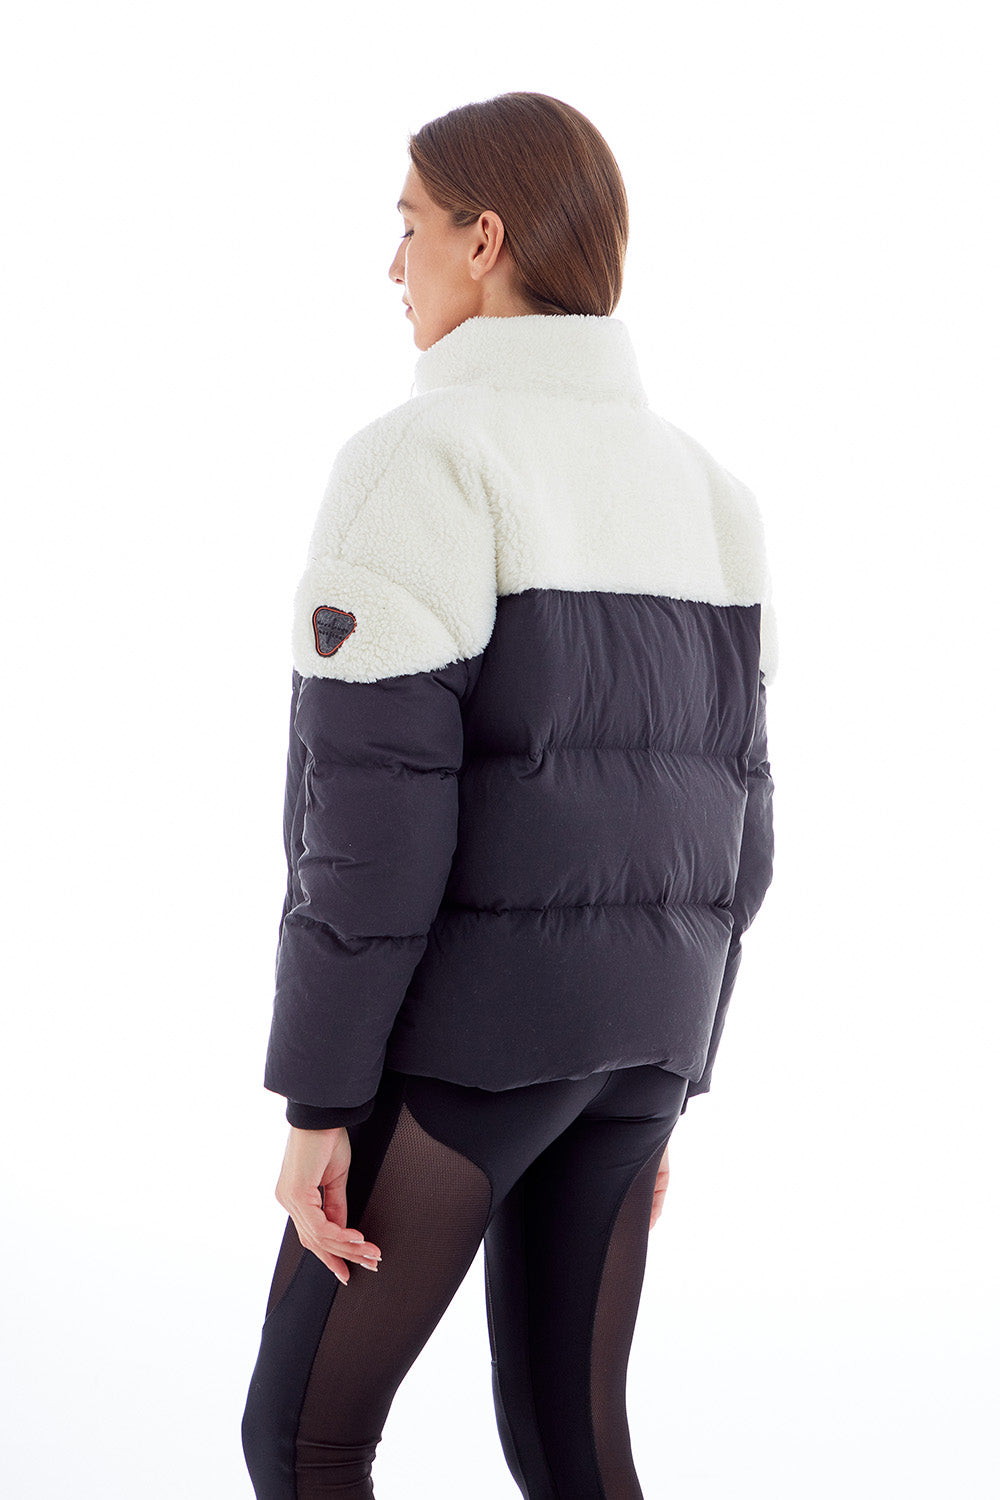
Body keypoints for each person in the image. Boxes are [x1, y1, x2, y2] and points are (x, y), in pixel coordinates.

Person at [241, 90, 777, 1500]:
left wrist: (319, 1101)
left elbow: (369, 830)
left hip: (469, 1049)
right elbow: (745, 829)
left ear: (484, 241)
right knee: (575, 1446)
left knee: (302, 1441)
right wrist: (671, 1078)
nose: (393, 265)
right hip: (642, 1041)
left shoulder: (422, 458)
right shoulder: (712, 492)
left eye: (409, 227)